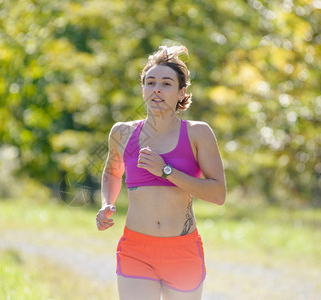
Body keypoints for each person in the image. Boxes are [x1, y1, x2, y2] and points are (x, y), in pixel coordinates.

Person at [96, 45, 226, 300]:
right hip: (136, 249)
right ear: (143, 89)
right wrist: (106, 204)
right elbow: (112, 173)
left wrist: (166, 171)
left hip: (182, 251)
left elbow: (218, 194)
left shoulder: (198, 133)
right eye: (150, 82)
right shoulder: (122, 132)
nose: (157, 89)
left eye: (167, 84)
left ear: (181, 93)